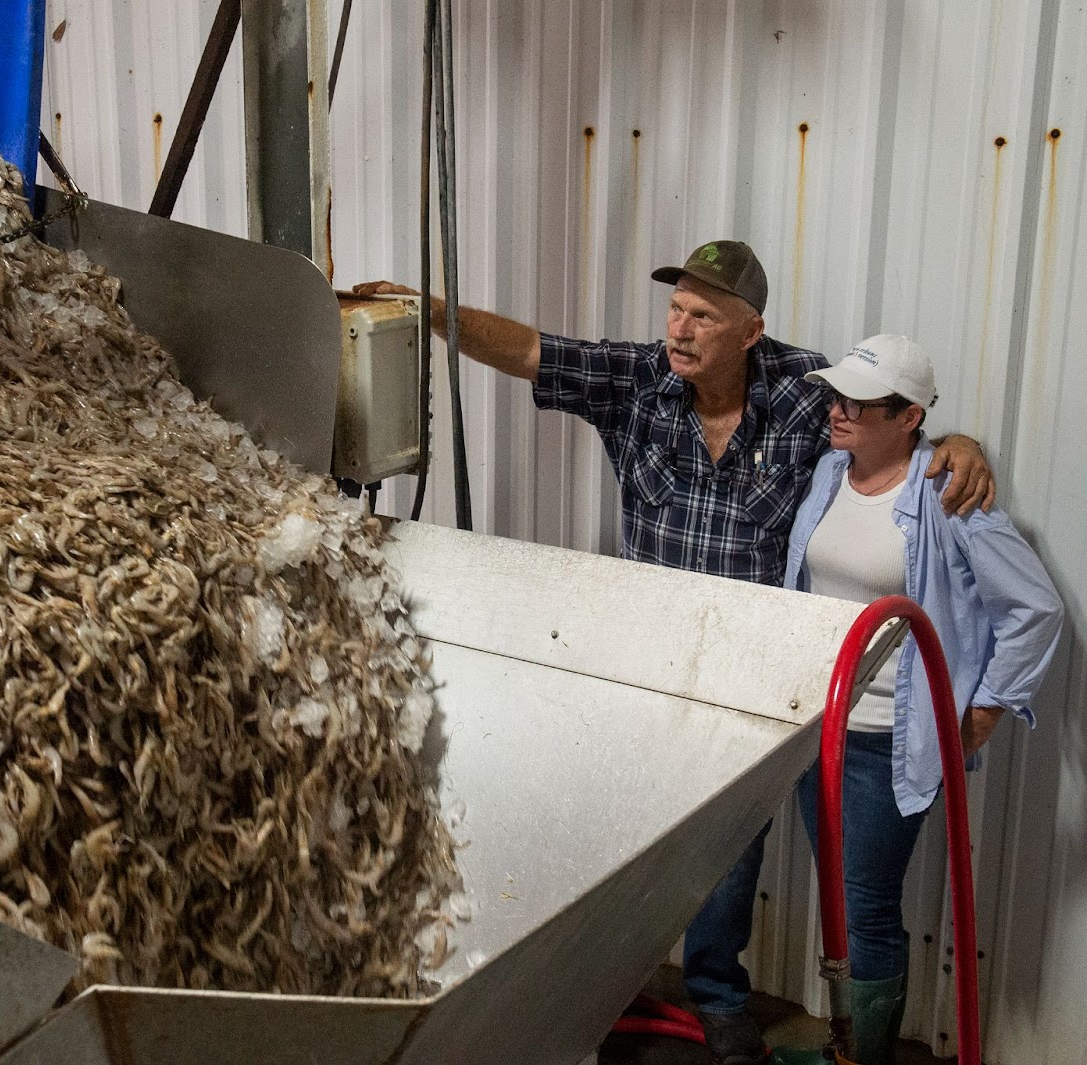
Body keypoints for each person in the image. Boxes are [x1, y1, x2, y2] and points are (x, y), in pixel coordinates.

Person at [354, 242, 996, 1065]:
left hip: (761, 673)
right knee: (642, 841)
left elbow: (889, 425)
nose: (680, 330)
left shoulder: (804, 393)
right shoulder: (637, 384)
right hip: (651, 665)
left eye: (703, 316)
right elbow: (529, 351)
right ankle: (644, 991)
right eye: (676, 310)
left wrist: (963, 443)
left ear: (751, 331)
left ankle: (723, 1005)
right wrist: (429, 308)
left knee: (730, 847)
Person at [768, 336, 1063, 1065]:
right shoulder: (830, 470)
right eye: (836, 396)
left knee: (865, 904)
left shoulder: (946, 495)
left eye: (858, 404)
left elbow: (1035, 606)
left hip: (884, 740)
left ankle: (862, 1057)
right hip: (820, 725)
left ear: (909, 417)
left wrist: (989, 706)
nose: (836, 411)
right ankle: (846, 1046)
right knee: (841, 896)